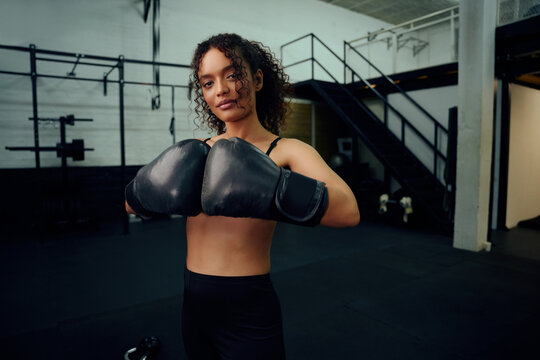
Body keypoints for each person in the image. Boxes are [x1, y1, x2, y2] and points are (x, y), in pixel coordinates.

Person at [125, 33, 360, 360]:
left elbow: (349, 212)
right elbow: (129, 203)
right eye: (207, 83)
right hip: (193, 302)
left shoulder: (286, 151)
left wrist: (275, 185)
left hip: (248, 306)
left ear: (258, 79)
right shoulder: (196, 151)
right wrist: (146, 188)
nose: (220, 89)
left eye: (233, 75)